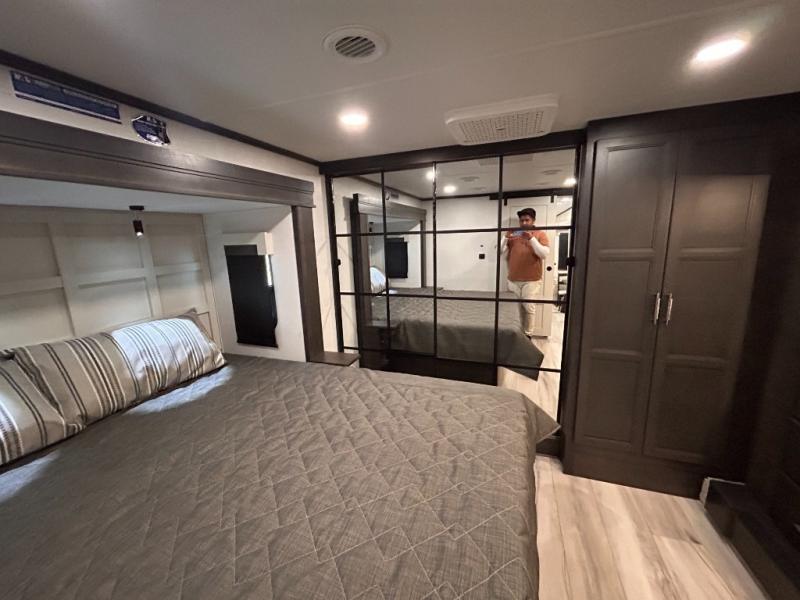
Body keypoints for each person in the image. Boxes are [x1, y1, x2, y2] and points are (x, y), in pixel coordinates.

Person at [503, 207, 550, 337]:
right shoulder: (514, 234)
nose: (524, 223)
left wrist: (531, 239)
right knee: (514, 309)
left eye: (527, 220)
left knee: (529, 308)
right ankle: (516, 335)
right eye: (521, 220)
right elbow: (500, 251)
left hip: (532, 280)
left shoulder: (540, 234)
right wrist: (505, 238)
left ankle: (528, 335)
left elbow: (544, 254)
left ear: (533, 220)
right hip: (513, 279)